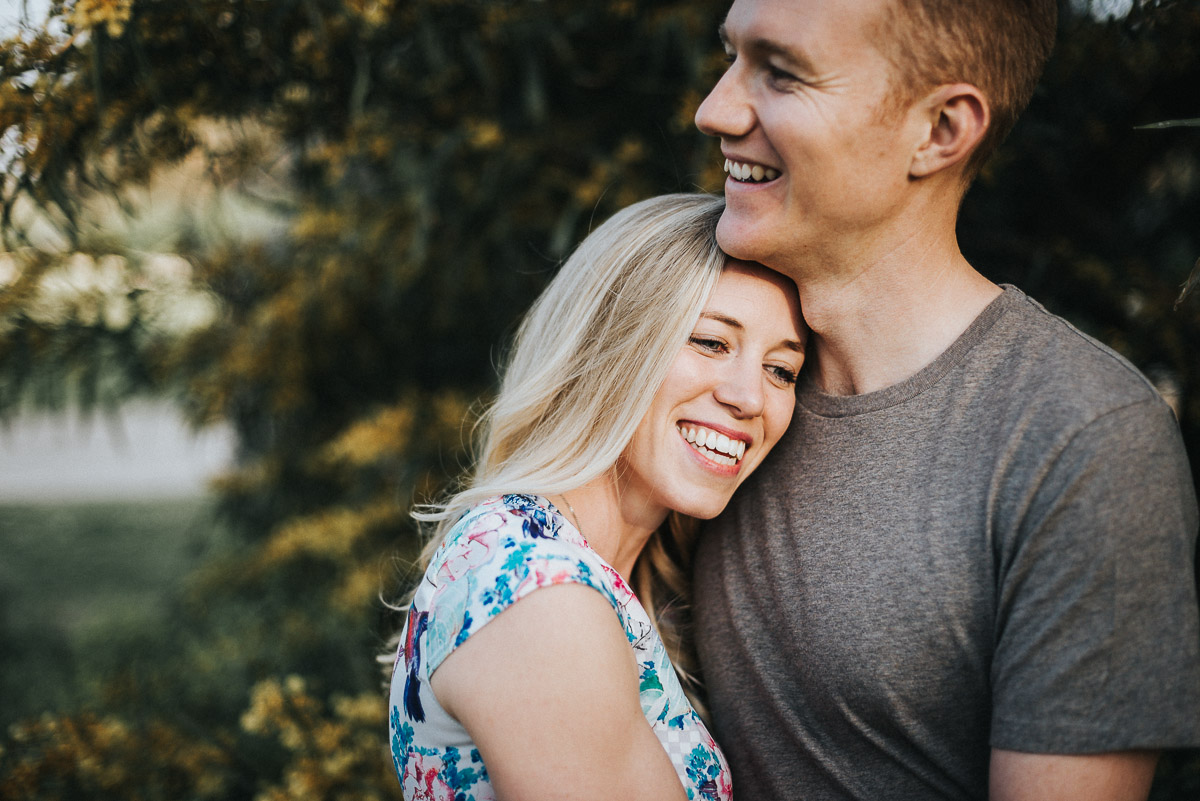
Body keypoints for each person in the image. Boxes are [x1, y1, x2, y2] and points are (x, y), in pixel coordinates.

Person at [690, 0, 1200, 799]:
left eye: (781, 73)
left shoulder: (1078, 440)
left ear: (939, 131)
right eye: (730, 57)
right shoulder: (693, 366)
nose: (713, 109)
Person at [386, 193, 807, 801]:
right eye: (712, 342)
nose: (751, 398)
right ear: (611, 344)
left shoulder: (613, 578)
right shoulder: (540, 596)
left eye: (782, 370)